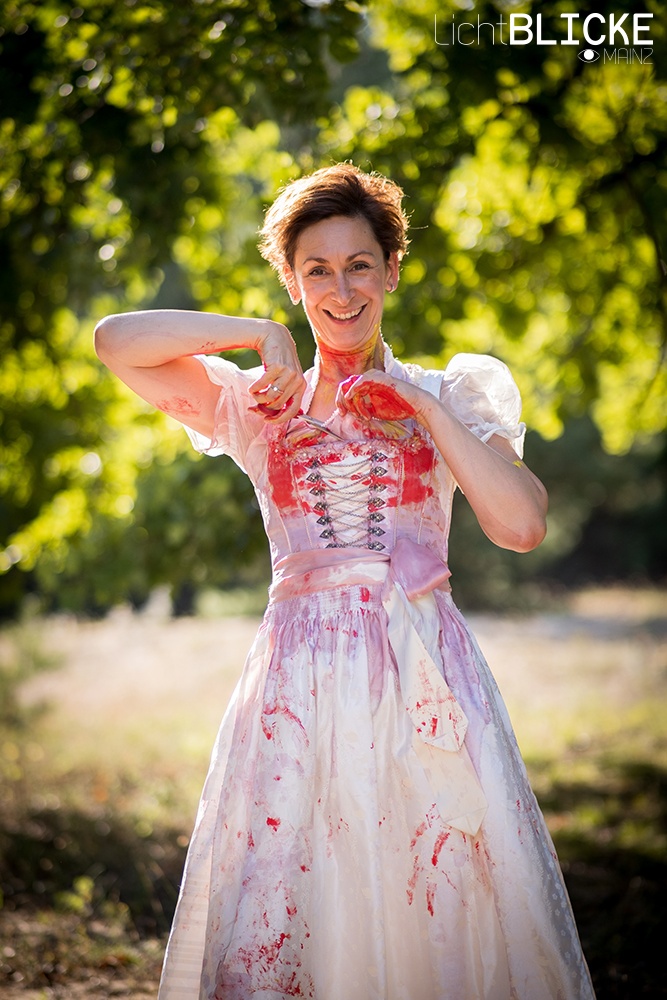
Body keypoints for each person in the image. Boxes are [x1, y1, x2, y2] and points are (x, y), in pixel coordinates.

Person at [95, 163, 595, 999]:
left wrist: (420, 407)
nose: (340, 290)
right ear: (293, 281)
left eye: (359, 264)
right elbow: (115, 340)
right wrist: (258, 332)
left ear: (391, 270)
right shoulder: (260, 404)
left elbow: (520, 526)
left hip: (423, 680)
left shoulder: (449, 392)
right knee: (299, 900)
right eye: (316, 270)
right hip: (295, 690)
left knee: (437, 900)